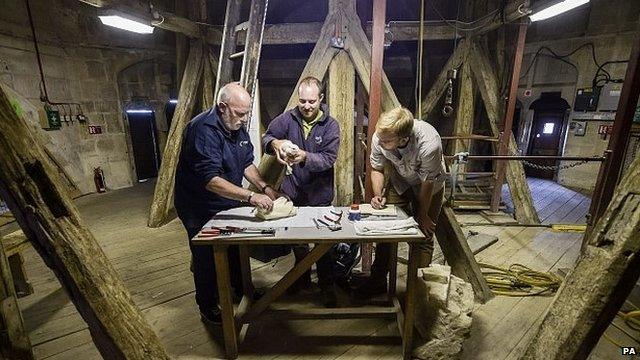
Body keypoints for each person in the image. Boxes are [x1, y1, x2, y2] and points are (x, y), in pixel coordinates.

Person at [174, 82, 285, 325]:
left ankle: (239, 291)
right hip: (198, 204)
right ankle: (208, 305)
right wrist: (250, 196)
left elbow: (246, 164)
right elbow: (211, 181)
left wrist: (264, 187)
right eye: (240, 113)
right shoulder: (202, 130)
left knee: (235, 247)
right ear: (222, 107)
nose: (245, 119)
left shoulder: (236, 126)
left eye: (247, 113)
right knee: (206, 256)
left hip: (226, 200)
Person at [261, 76, 341, 307]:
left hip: (319, 193)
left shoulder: (331, 125)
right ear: (298, 98)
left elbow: (329, 158)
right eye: (303, 101)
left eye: (312, 101)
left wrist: (304, 156)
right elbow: (268, 136)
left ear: (321, 99)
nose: (306, 106)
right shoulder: (287, 118)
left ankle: (327, 286)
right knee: (297, 241)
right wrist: (275, 144)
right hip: (293, 191)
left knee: (323, 243)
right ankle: (302, 278)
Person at [355, 106, 446, 297]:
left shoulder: (430, 144)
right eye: (380, 138)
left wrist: (422, 215)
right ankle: (378, 281)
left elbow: (427, 183)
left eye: (386, 140)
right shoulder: (381, 136)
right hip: (400, 181)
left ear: (403, 138)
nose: (379, 141)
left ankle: (417, 291)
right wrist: (377, 194)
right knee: (386, 230)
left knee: (423, 235)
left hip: (429, 185)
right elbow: (377, 168)